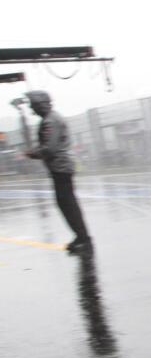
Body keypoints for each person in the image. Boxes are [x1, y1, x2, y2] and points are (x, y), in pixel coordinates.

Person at [24, 91, 92, 254]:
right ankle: (81, 236)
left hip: (61, 167)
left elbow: (50, 148)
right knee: (67, 203)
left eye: (33, 105)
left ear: (41, 104)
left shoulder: (50, 121)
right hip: (60, 167)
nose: (32, 109)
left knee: (67, 203)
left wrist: (32, 153)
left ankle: (83, 238)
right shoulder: (50, 119)